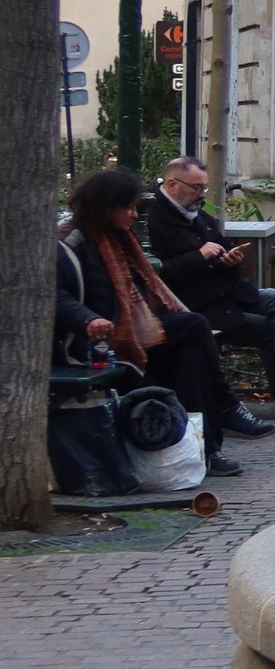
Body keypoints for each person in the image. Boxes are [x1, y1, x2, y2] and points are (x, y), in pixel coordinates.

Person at [56, 169, 254, 478]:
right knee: (194, 324)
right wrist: (88, 319)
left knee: (189, 356)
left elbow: (142, 291)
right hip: (91, 344)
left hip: (129, 332)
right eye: (128, 207)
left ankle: (206, 450)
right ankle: (224, 405)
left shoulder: (121, 239)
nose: (134, 215)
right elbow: (57, 296)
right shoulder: (71, 242)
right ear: (104, 206)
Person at [146, 156, 275, 429]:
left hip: (226, 293)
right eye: (196, 188)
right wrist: (200, 256)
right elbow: (160, 274)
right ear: (172, 184)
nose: (202, 195)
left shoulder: (196, 214)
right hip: (198, 305)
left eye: (204, 188)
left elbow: (220, 247)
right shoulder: (156, 220)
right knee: (269, 329)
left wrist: (229, 259)